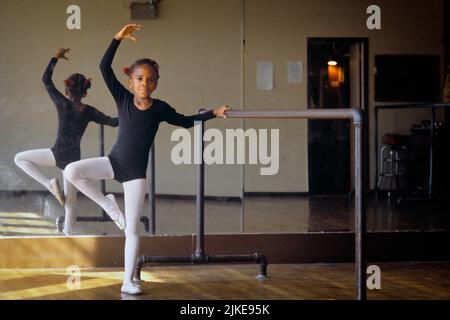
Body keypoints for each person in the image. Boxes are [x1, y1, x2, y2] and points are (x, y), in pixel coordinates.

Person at [64, 24, 230, 295]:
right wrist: (118, 37)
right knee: (71, 171)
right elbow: (104, 67)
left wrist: (214, 112)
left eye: (150, 79)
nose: (145, 84)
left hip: (135, 175)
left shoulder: (160, 108)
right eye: (140, 78)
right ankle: (106, 202)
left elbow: (187, 121)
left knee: (131, 229)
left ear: (156, 83)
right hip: (113, 162)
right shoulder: (123, 98)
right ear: (131, 81)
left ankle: (128, 280)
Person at [14, 48, 119, 235]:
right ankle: (68, 235)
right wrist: (132, 113)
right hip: (73, 160)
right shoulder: (89, 111)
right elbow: (112, 122)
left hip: (56, 154)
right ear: (85, 93)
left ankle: (48, 184)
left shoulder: (62, 104)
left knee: (20, 159)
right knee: (71, 204)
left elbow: (46, 80)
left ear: (66, 90)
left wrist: (55, 57)